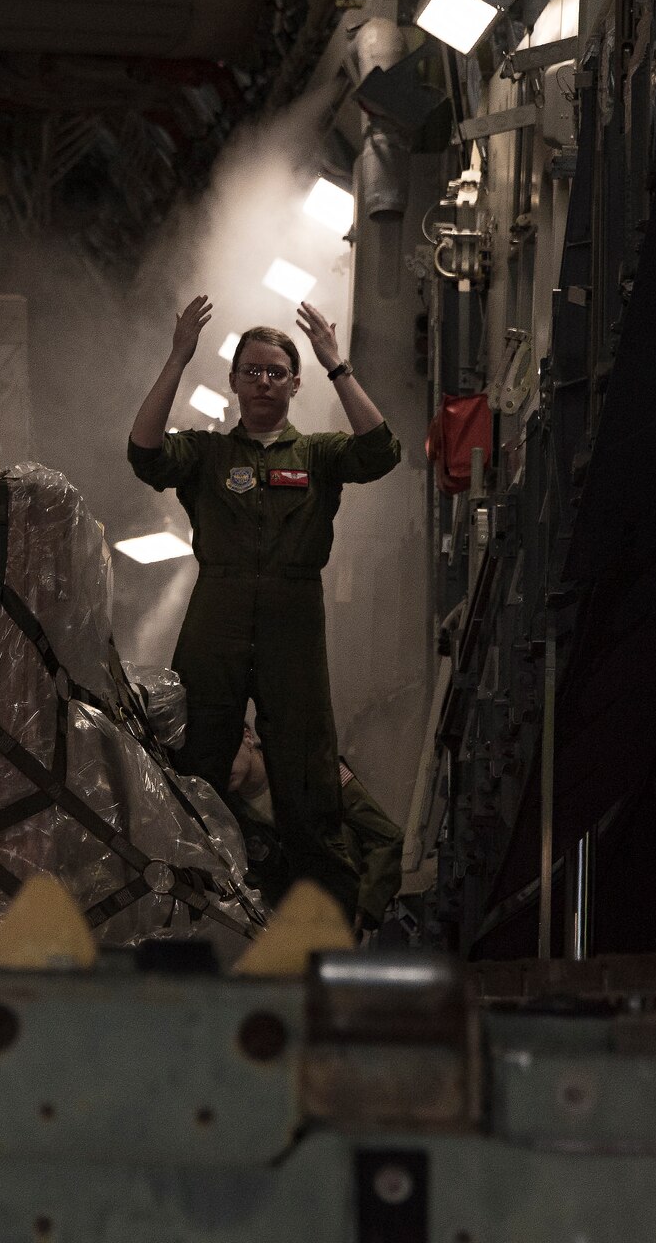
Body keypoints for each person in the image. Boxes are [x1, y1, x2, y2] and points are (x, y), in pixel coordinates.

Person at [128, 295, 400, 912]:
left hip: (293, 616)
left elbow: (382, 452)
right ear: (233, 380)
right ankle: (188, 914)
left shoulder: (320, 455)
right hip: (215, 610)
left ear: (295, 383)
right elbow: (143, 454)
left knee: (307, 778)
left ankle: (322, 929)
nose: (263, 381)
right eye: (252, 369)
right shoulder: (206, 454)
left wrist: (338, 363)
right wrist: (176, 357)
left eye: (277, 371)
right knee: (194, 764)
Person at [228, 725, 404, 929]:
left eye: (224, 750)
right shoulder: (225, 811)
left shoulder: (313, 770)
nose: (220, 764)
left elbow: (386, 838)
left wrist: (361, 909)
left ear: (247, 737)